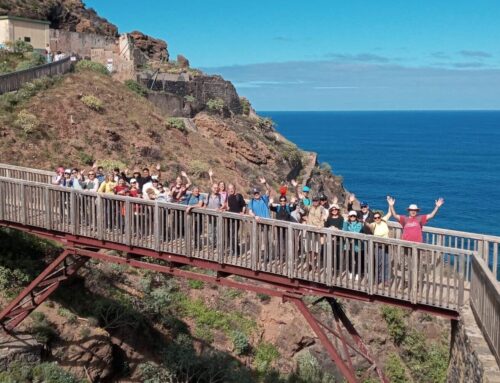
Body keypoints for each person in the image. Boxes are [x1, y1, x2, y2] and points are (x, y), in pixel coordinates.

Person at [366, 210, 392, 284]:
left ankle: (386, 279)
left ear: (380, 217)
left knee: (386, 263)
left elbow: (389, 213)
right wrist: (366, 223)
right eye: (375, 218)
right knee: (379, 263)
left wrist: (390, 205)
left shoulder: (384, 221)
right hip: (378, 246)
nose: (377, 219)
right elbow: (369, 225)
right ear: (374, 219)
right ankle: (378, 278)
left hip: (386, 245)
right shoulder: (373, 224)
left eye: (378, 217)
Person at [224, 184, 246, 256]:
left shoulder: (238, 196)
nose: (231, 190)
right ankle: (234, 249)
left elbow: (244, 205)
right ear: (228, 189)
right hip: (229, 218)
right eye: (229, 189)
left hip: (236, 219)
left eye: (232, 188)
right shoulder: (229, 197)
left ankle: (236, 251)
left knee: (233, 235)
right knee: (228, 234)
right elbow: (228, 207)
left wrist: (243, 212)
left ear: (234, 188)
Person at [342, 210, 364, 280]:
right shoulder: (346, 223)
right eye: (351, 216)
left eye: (354, 216)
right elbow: (344, 231)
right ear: (349, 216)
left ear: (356, 216)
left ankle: (357, 273)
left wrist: (349, 233)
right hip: (348, 245)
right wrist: (345, 222)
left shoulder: (359, 224)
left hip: (357, 245)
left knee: (357, 260)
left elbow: (356, 232)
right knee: (349, 259)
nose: (352, 217)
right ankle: (351, 272)